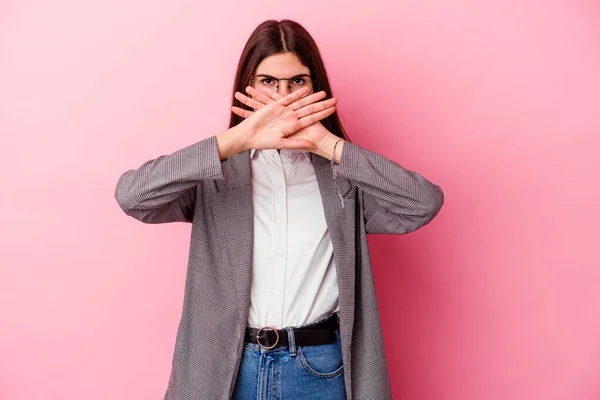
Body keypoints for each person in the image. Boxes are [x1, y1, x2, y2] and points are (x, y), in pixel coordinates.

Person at [114, 18, 444, 400]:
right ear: (246, 87)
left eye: (297, 82)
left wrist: (328, 145)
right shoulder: (216, 173)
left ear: (315, 87)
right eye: (268, 81)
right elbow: (133, 196)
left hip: (320, 370)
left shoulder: (341, 177)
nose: (282, 97)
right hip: (228, 368)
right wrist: (237, 138)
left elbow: (423, 203)